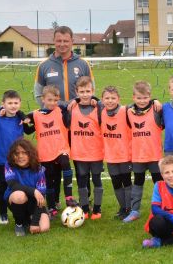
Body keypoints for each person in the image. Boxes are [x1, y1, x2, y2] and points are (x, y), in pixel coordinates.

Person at [24, 85, 77, 218]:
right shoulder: (35, 115)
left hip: (61, 149)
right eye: (49, 100)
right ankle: (52, 207)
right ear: (43, 99)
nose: (52, 103)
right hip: (45, 153)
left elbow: (77, 102)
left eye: (55, 100)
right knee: (50, 180)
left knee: (65, 163)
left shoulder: (61, 111)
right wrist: (25, 121)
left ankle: (69, 196)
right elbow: (28, 130)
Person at [123, 81, 164, 223]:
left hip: (155, 155)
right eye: (139, 98)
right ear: (133, 97)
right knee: (138, 182)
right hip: (138, 155)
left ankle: (163, 208)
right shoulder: (128, 111)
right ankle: (135, 211)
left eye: (145, 98)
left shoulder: (157, 110)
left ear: (150, 96)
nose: (142, 101)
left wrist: (155, 101)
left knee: (159, 183)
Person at [0, 90, 32, 225]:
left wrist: (26, 118)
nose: (13, 106)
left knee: (20, 185)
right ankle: (3, 213)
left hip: (19, 160)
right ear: (3, 104)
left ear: (20, 103)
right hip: (2, 160)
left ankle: (24, 211)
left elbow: (30, 129)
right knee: (2, 186)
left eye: (16, 103)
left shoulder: (20, 119)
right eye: (9, 103)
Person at [69, 76, 104, 220]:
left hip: (96, 153)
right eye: (81, 91)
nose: (85, 94)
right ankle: (84, 208)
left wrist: (97, 100)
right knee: (82, 182)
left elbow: (111, 107)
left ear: (93, 91)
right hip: (79, 154)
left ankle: (97, 209)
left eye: (88, 91)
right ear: (76, 92)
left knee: (97, 180)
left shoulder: (99, 108)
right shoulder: (72, 108)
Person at [34, 26, 94, 107]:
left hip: (77, 114)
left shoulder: (83, 64)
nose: (62, 44)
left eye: (66, 41)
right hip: (54, 115)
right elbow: (39, 94)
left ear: (72, 41)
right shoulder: (43, 66)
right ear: (53, 41)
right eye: (59, 41)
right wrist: (49, 109)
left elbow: (91, 90)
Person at [4, 139, 49, 236]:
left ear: (31, 154)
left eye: (24, 153)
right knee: (19, 195)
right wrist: (34, 191)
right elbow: (13, 185)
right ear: (12, 155)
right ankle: (19, 223)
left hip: (35, 202)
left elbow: (41, 197)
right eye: (17, 153)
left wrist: (35, 223)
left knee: (44, 228)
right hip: (16, 199)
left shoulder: (39, 169)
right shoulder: (9, 165)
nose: (20, 156)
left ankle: (30, 219)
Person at [100, 86, 133, 220]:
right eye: (107, 98)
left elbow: (140, 105)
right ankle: (122, 207)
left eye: (113, 98)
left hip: (125, 155)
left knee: (126, 181)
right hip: (110, 156)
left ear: (118, 99)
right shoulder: (100, 112)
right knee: (116, 182)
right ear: (102, 100)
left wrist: (154, 101)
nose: (110, 101)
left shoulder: (126, 111)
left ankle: (129, 208)